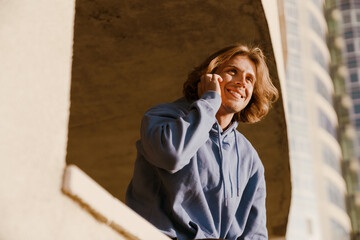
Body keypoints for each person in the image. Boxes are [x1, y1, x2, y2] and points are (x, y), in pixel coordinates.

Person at [126, 43, 279, 240]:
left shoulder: (250, 159)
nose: (242, 82)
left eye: (250, 79)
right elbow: (172, 155)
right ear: (209, 76)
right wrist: (209, 102)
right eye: (233, 72)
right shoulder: (163, 116)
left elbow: (254, 234)